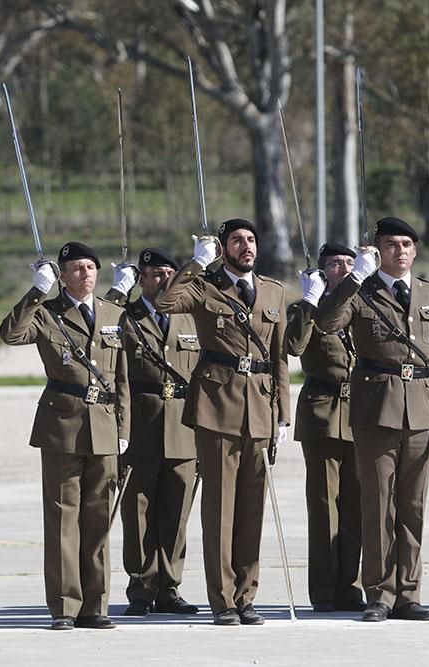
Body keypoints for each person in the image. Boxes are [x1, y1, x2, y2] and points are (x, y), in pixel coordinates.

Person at [314, 216, 429, 622]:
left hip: (422, 409)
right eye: (391, 244)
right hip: (376, 408)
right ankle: (380, 591)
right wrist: (352, 280)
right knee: (378, 505)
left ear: (415, 250)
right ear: (378, 251)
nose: (400, 251)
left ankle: (408, 592)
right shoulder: (362, 290)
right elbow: (326, 323)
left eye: (407, 244)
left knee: (412, 505)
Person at [153, 218, 290, 626]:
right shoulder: (203, 287)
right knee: (220, 510)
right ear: (224, 248)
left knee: (252, 510)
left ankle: (247, 595)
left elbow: (279, 358)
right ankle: (223, 599)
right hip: (218, 405)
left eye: (251, 239)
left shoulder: (273, 291)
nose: (246, 246)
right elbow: (164, 303)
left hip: (261, 409)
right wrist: (194, 264)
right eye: (237, 241)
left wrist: (283, 413)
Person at [0, 242, 129, 631]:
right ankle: (65, 607)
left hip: (104, 424)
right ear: (62, 275)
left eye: (91, 267)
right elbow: (10, 333)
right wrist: (37, 290)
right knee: (62, 520)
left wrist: (124, 428)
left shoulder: (113, 313)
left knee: (99, 519)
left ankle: (96, 605)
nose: (85, 274)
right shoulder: (48, 314)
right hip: (63, 426)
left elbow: (122, 379)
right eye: (75, 268)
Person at [104, 247, 201, 617]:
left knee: (176, 513)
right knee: (139, 511)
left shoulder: (190, 319)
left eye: (166, 274)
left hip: (183, 425)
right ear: (139, 279)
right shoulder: (125, 317)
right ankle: (142, 587)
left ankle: (170, 587)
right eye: (153, 274)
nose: (160, 280)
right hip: (142, 426)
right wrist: (116, 292)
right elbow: (100, 325)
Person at [286, 242, 366, 613]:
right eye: (336, 263)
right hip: (323, 413)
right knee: (324, 507)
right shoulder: (310, 307)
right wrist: (308, 302)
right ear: (322, 271)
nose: (345, 268)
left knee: (357, 506)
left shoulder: (364, 307)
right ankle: (323, 589)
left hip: (362, 414)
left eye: (350, 262)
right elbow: (294, 346)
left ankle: (351, 584)